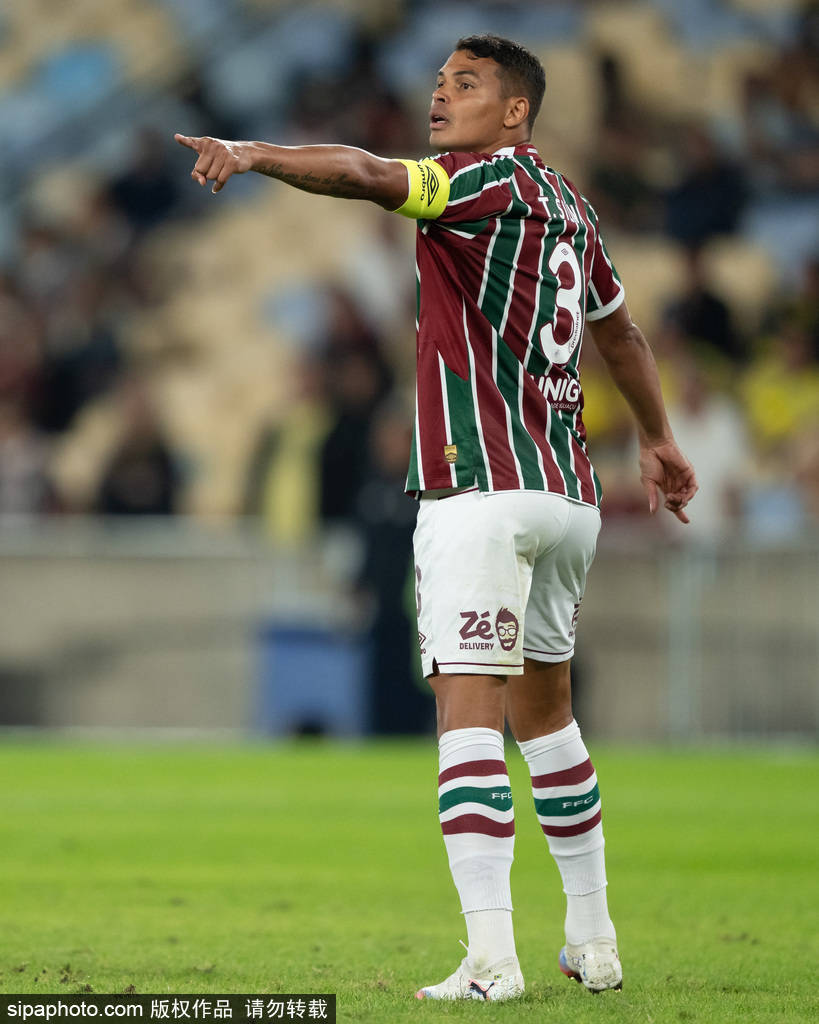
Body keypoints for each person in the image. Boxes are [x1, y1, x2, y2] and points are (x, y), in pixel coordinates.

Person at [175, 33, 697, 1002]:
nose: (440, 96)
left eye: (466, 83)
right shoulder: (571, 206)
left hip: (479, 490)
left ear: (516, 111)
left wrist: (251, 155)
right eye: (439, 80)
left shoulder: (472, 183)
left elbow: (363, 174)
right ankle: (594, 939)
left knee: (467, 720)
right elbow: (620, 332)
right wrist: (658, 438)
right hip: (566, 494)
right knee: (549, 722)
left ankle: (492, 959)